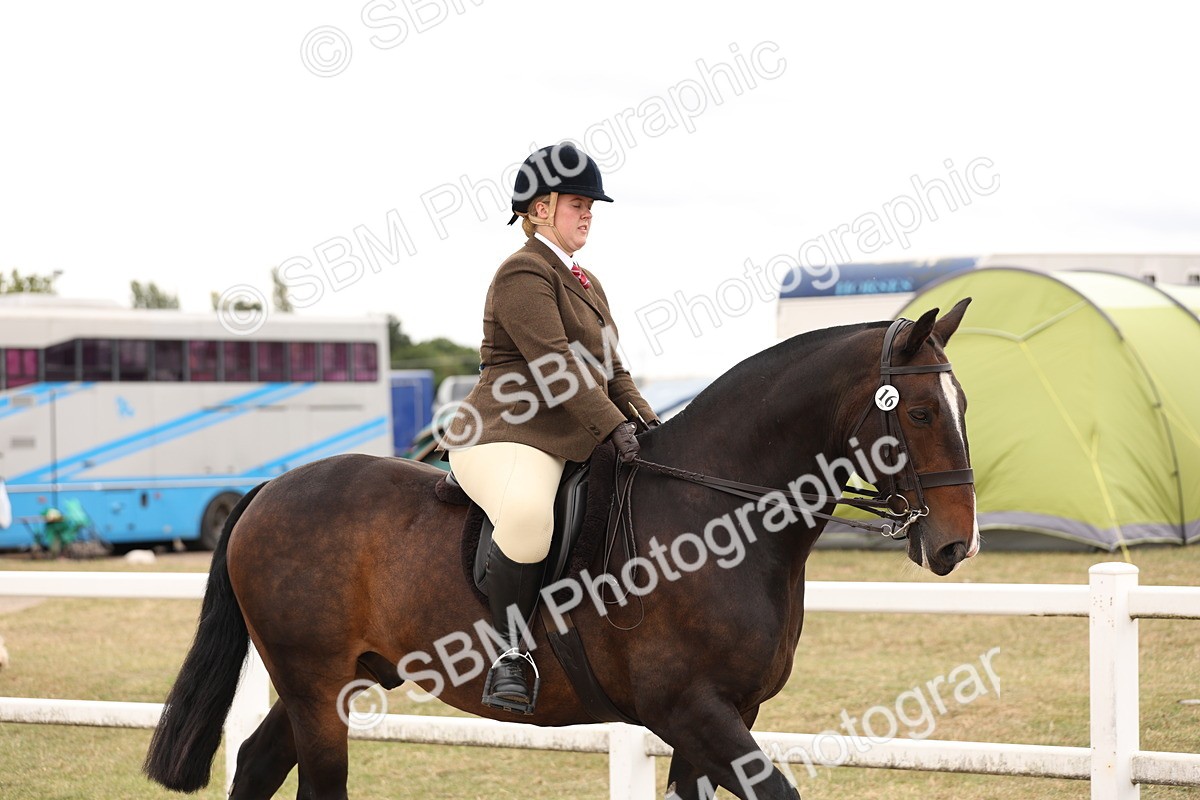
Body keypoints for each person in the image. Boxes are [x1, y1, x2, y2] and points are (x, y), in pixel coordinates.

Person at [443, 142, 659, 713]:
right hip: (508, 434)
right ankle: (511, 653)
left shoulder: (587, 280)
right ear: (540, 210)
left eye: (592, 204)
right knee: (528, 517)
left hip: (571, 436)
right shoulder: (523, 271)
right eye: (577, 203)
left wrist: (650, 422)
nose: (589, 212)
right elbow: (555, 364)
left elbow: (613, 368)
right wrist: (615, 429)